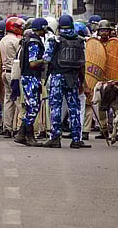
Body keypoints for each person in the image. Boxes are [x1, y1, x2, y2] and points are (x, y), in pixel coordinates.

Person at [43, 15, 90, 149]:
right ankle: (76, 139)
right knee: (74, 108)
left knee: (56, 107)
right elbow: (82, 64)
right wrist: (83, 82)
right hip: (73, 78)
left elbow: (46, 59)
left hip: (57, 77)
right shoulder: (80, 41)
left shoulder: (54, 40)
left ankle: (55, 138)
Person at [14, 18, 48, 147]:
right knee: (33, 107)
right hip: (31, 77)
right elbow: (33, 63)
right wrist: (45, 60)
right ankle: (29, 136)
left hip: (28, 77)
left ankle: (21, 134)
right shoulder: (34, 42)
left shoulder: (28, 39)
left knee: (31, 107)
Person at [0, 17, 22, 137]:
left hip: (5, 71)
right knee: (19, 101)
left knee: (8, 100)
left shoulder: (2, 40)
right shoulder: (16, 41)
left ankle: (7, 127)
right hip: (14, 73)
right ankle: (19, 127)